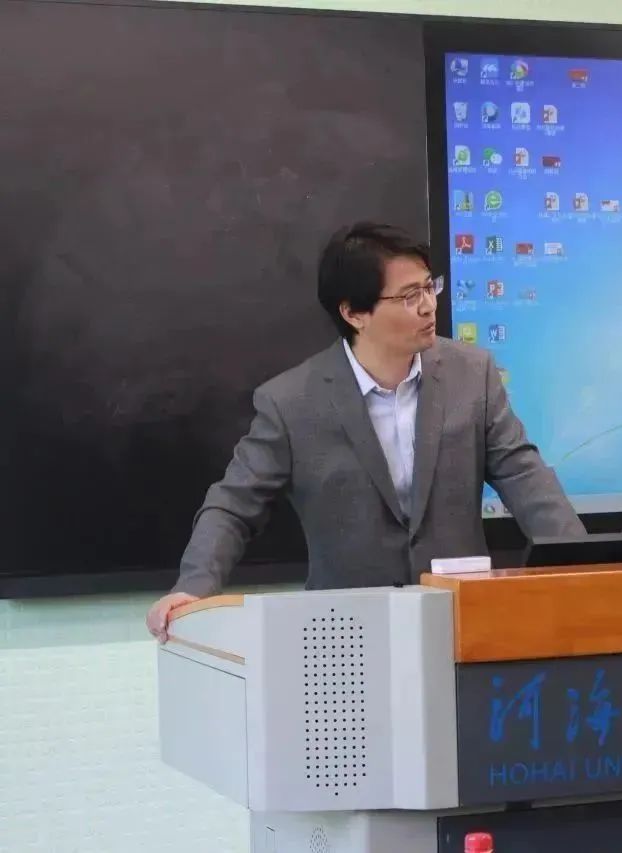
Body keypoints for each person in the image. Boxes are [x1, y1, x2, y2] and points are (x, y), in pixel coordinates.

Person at [146, 221, 584, 640]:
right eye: (409, 296)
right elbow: (232, 506)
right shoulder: (291, 403)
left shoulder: (472, 374)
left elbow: (524, 475)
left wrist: (585, 566)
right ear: (354, 313)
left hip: (462, 623)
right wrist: (194, 588)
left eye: (429, 287)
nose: (428, 306)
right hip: (346, 635)